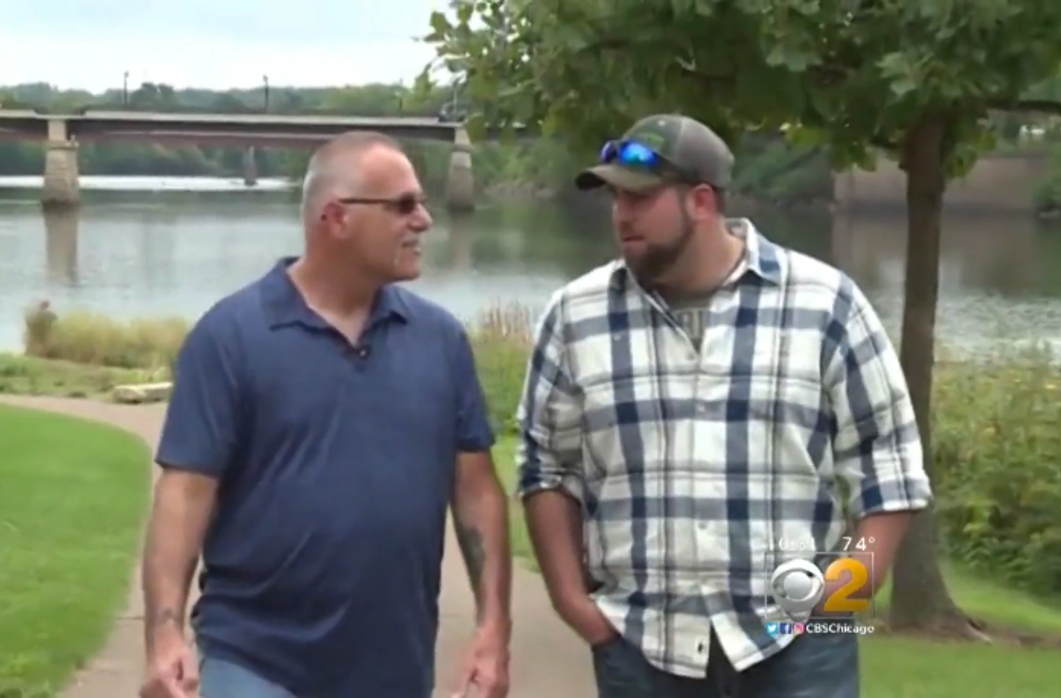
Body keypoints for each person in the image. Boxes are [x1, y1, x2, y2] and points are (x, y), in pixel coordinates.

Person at [515, 114, 933, 698]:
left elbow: (888, 465)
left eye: (640, 196)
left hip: (798, 648)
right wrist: (571, 603)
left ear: (702, 201)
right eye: (615, 197)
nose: (621, 214)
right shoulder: (575, 316)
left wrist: (836, 603)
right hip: (640, 647)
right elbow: (546, 468)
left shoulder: (825, 302)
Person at [139, 131, 513, 698]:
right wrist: (164, 637)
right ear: (336, 218)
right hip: (256, 660)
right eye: (404, 205)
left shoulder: (439, 341)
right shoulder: (232, 337)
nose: (425, 220)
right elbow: (185, 493)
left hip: (395, 668)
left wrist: (493, 631)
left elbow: (476, 491)